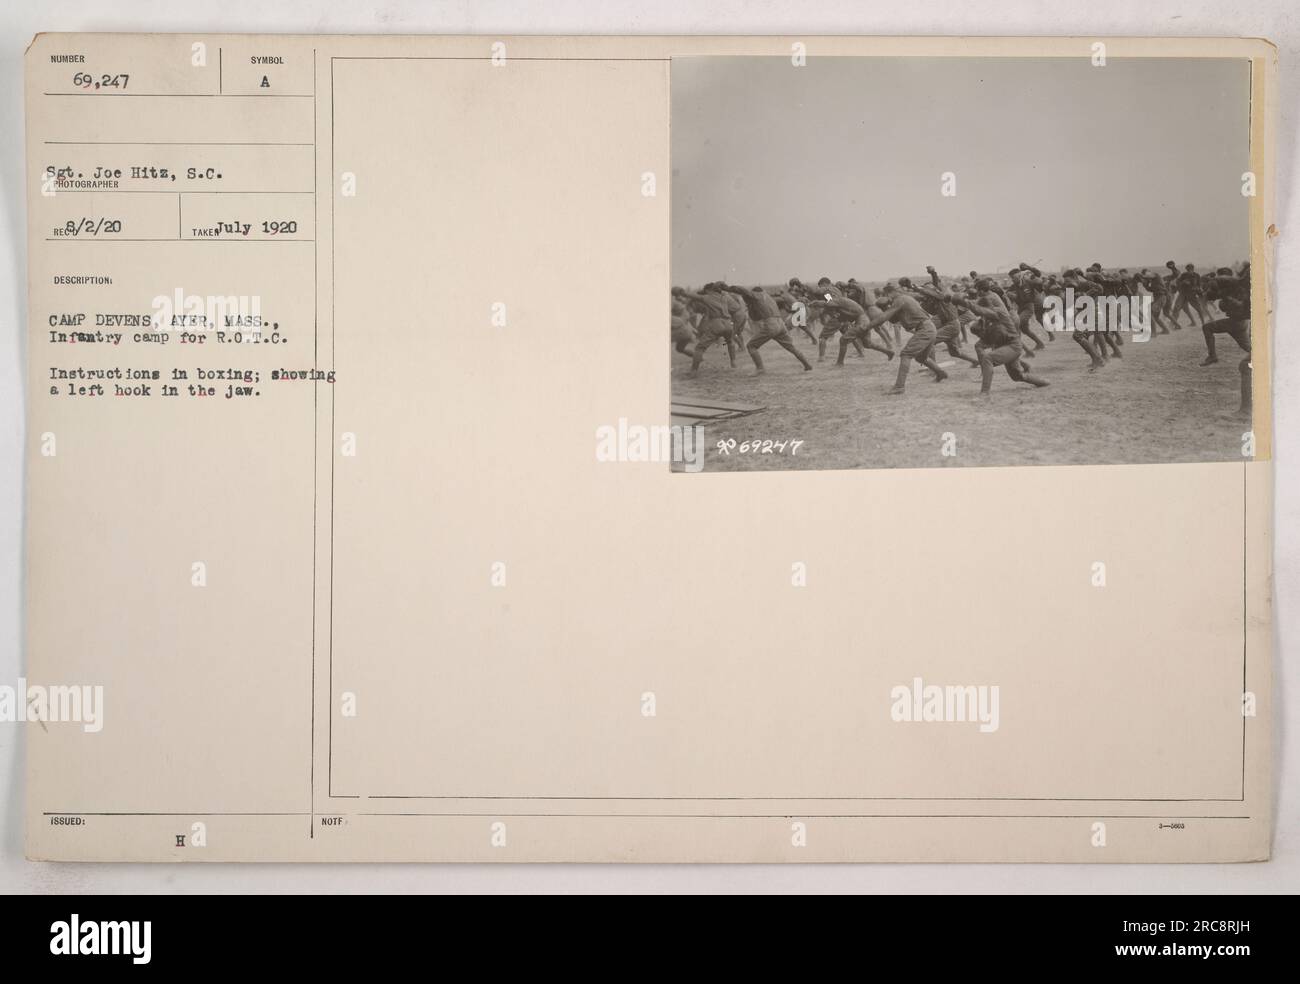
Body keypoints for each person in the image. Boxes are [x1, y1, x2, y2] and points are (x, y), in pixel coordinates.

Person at [953, 284, 1050, 397]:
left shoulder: (998, 311)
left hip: (1012, 346)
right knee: (1017, 377)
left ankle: (984, 393)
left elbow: (979, 310)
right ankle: (1043, 382)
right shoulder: (986, 317)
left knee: (988, 358)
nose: (978, 307)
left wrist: (965, 302)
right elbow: (979, 313)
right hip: (1002, 345)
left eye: (982, 305)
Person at [859, 285, 948, 394]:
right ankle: (940, 373)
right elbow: (894, 319)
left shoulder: (900, 299)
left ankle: (899, 387)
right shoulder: (904, 298)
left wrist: (867, 327)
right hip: (928, 328)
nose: (887, 298)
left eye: (886, 295)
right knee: (921, 358)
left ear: (890, 293)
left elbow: (884, 317)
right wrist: (884, 307)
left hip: (925, 329)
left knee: (906, 354)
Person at [720, 283, 813, 373]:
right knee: (791, 347)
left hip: (771, 324)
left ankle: (760, 369)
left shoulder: (757, 295)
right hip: (781, 324)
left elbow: (743, 291)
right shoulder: (769, 298)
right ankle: (807, 364)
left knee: (751, 346)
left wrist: (727, 288)